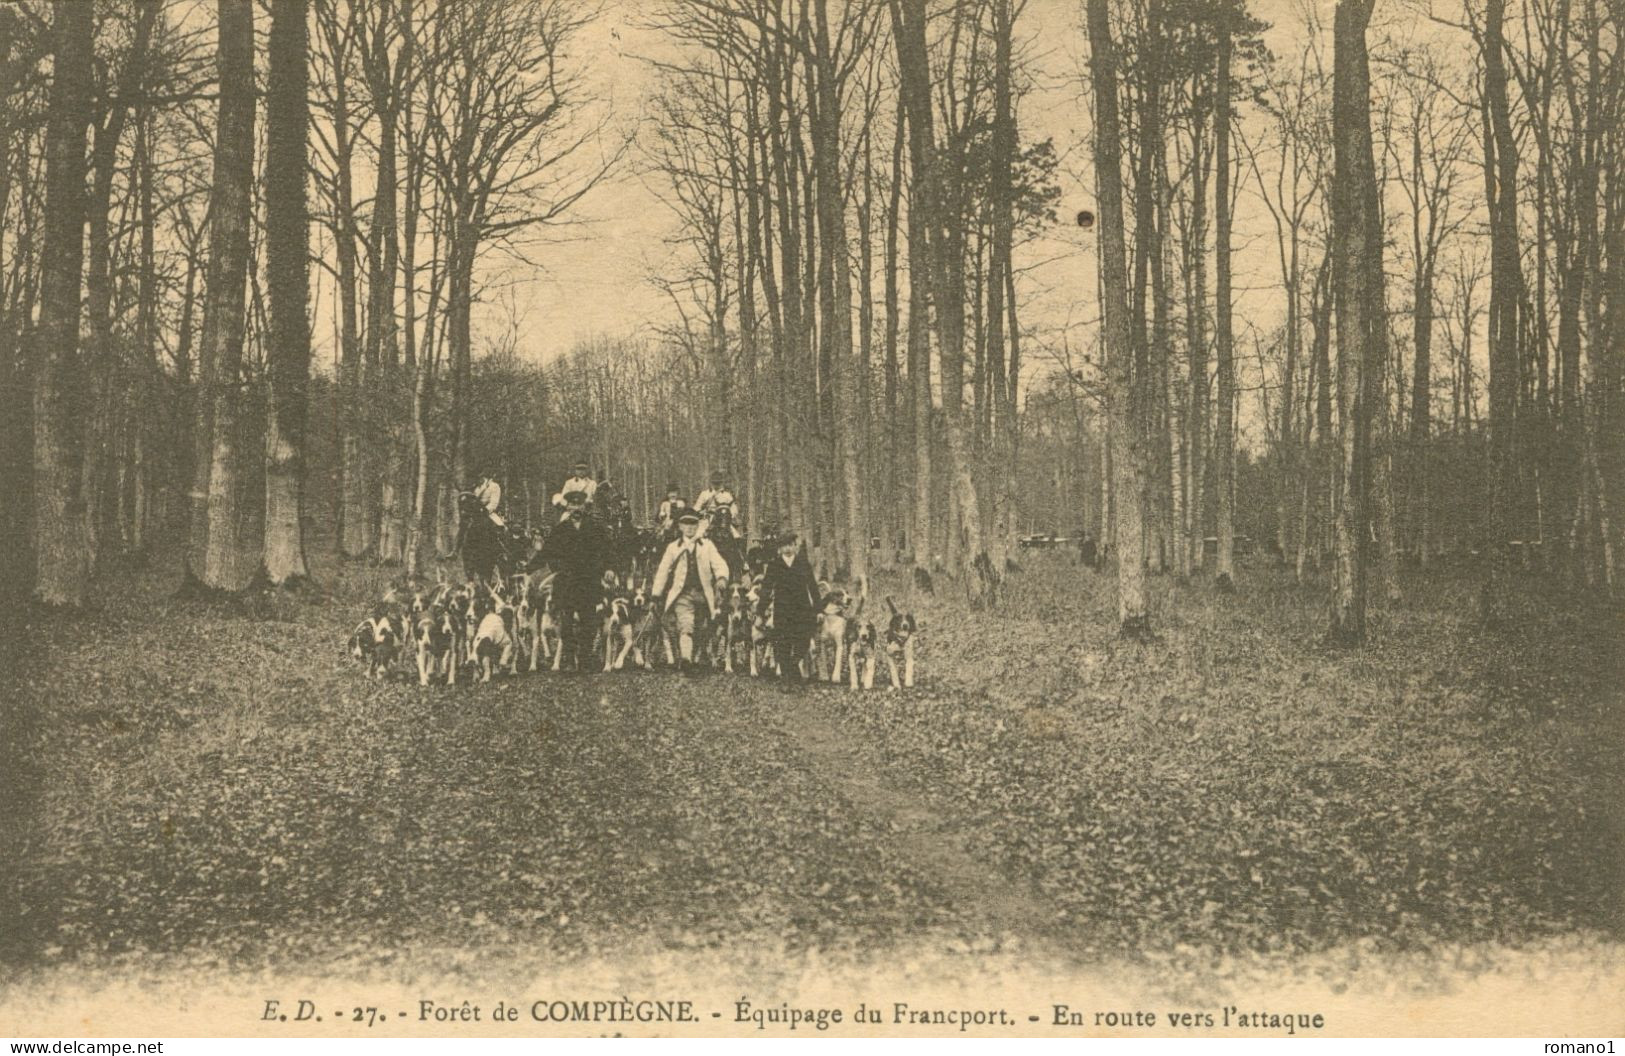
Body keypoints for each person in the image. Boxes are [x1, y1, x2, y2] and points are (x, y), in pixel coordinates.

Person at [650, 510, 730, 672]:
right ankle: (686, 659)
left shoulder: (707, 546)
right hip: (682, 595)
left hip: (703, 594)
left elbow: (719, 564)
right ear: (680, 526)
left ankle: (696, 658)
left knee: (701, 627)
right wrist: (655, 594)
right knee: (686, 625)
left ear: (698, 525)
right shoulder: (673, 548)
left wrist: (721, 578)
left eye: (693, 523)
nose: (690, 528)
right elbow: (663, 571)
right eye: (686, 523)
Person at [541, 495, 607, 671]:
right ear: (567, 507)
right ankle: (569, 658)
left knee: (589, 621)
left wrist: (609, 569)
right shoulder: (560, 529)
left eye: (579, 505)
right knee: (566, 622)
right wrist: (549, 567)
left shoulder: (595, 528)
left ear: (584, 507)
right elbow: (548, 552)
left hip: (588, 581)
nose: (576, 509)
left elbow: (608, 550)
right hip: (567, 583)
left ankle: (585, 658)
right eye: (572, 505)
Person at [755, 533, 818, 682]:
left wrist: (818, 609)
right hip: (782, 609)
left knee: (803, 639)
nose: (788, 549)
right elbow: (766, 589)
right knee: (782, 642)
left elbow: (813, 587)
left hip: (802, 608)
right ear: (779, 548)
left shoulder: (803, 563)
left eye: (790, 545)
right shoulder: (774, 565)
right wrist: (759, 612)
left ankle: (793, 664)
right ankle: (786, 678)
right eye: (784, 546)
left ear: (795, 546)